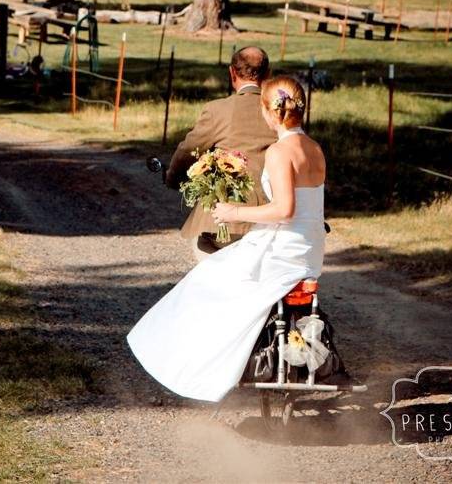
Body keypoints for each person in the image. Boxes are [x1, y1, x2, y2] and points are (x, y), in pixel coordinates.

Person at [128, 76, 327, 403]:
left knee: (206, 280)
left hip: (283, 252)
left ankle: (198, 369)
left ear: (269, 112)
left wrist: (235, 212)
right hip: (309, 251)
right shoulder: (315, 148)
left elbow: (284, 209)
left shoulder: (280, 152)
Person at [165, 46, 275, 261]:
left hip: (226, 223)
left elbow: (189, 150)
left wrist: (172, 177)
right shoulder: (279, 112)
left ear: (232, 73)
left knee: (202, 248)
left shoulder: (217, 109)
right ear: (268, 74)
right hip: (272, 217)